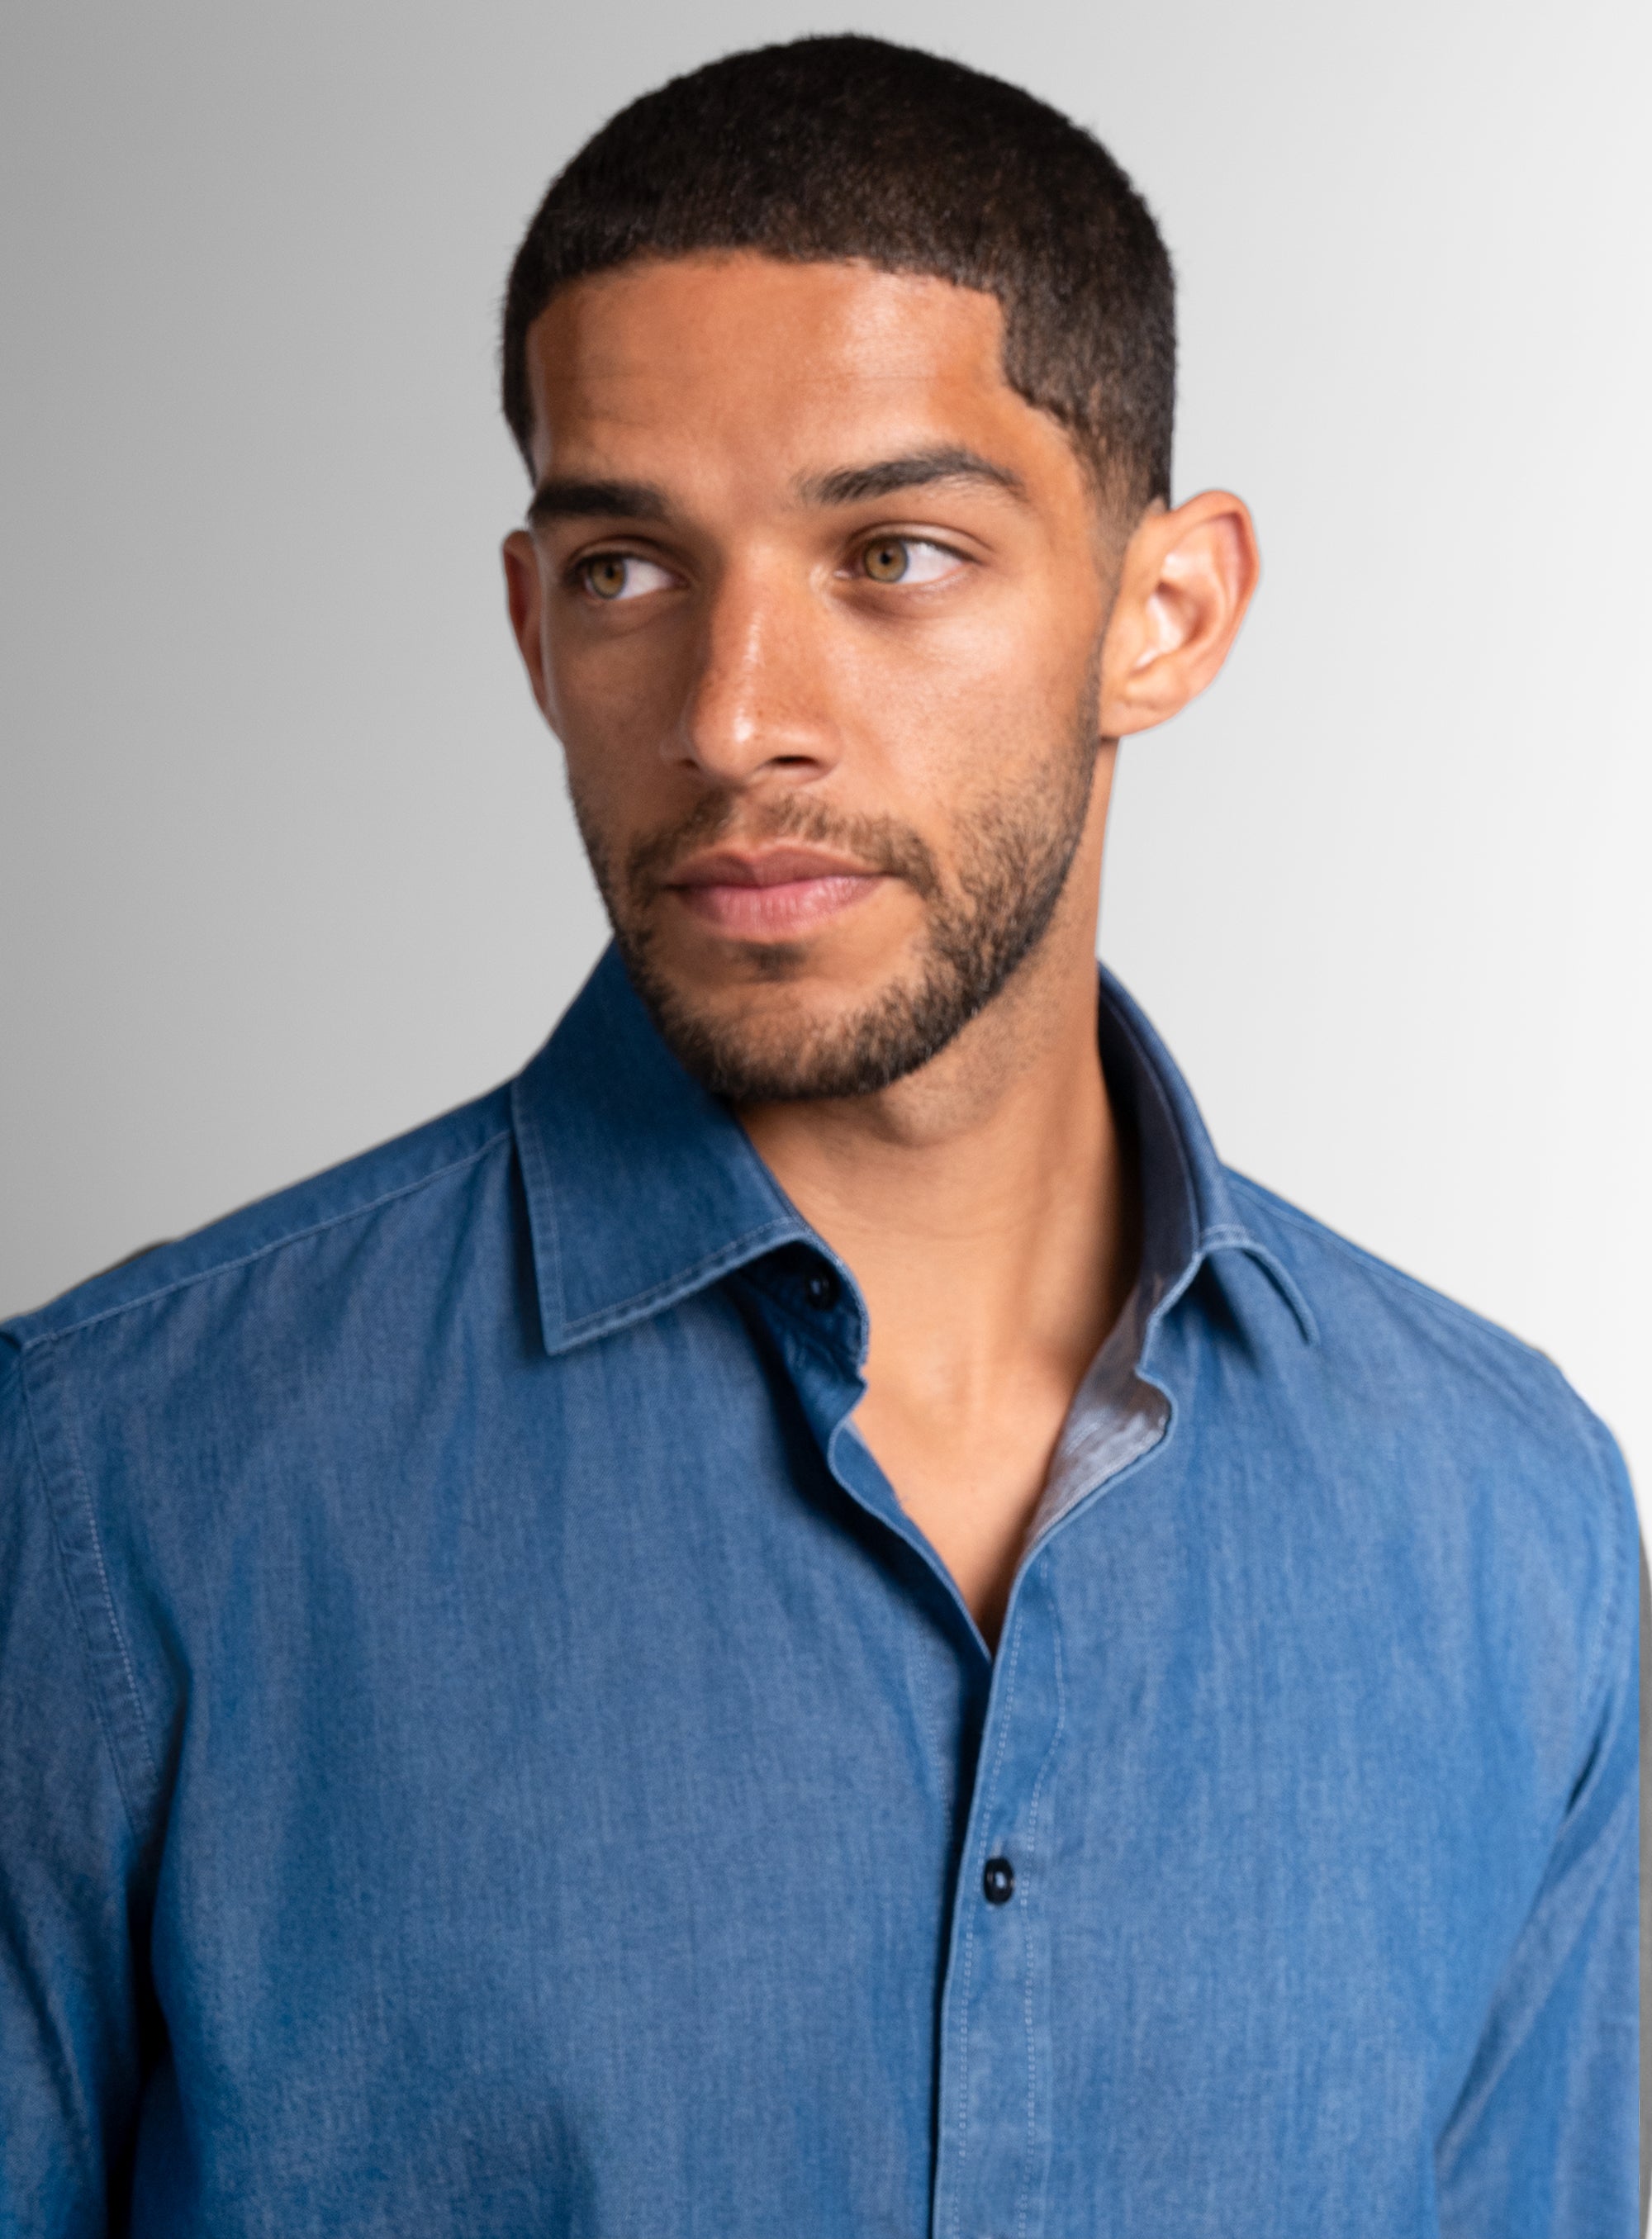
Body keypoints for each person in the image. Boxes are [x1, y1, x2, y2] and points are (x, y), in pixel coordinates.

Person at [0, 33, 1640, 2238]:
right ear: (531, 628)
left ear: (1166, 615)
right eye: (626, 570)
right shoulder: (111, 1487)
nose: (733, 715)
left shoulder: (1511, 1525)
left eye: (894, 552)